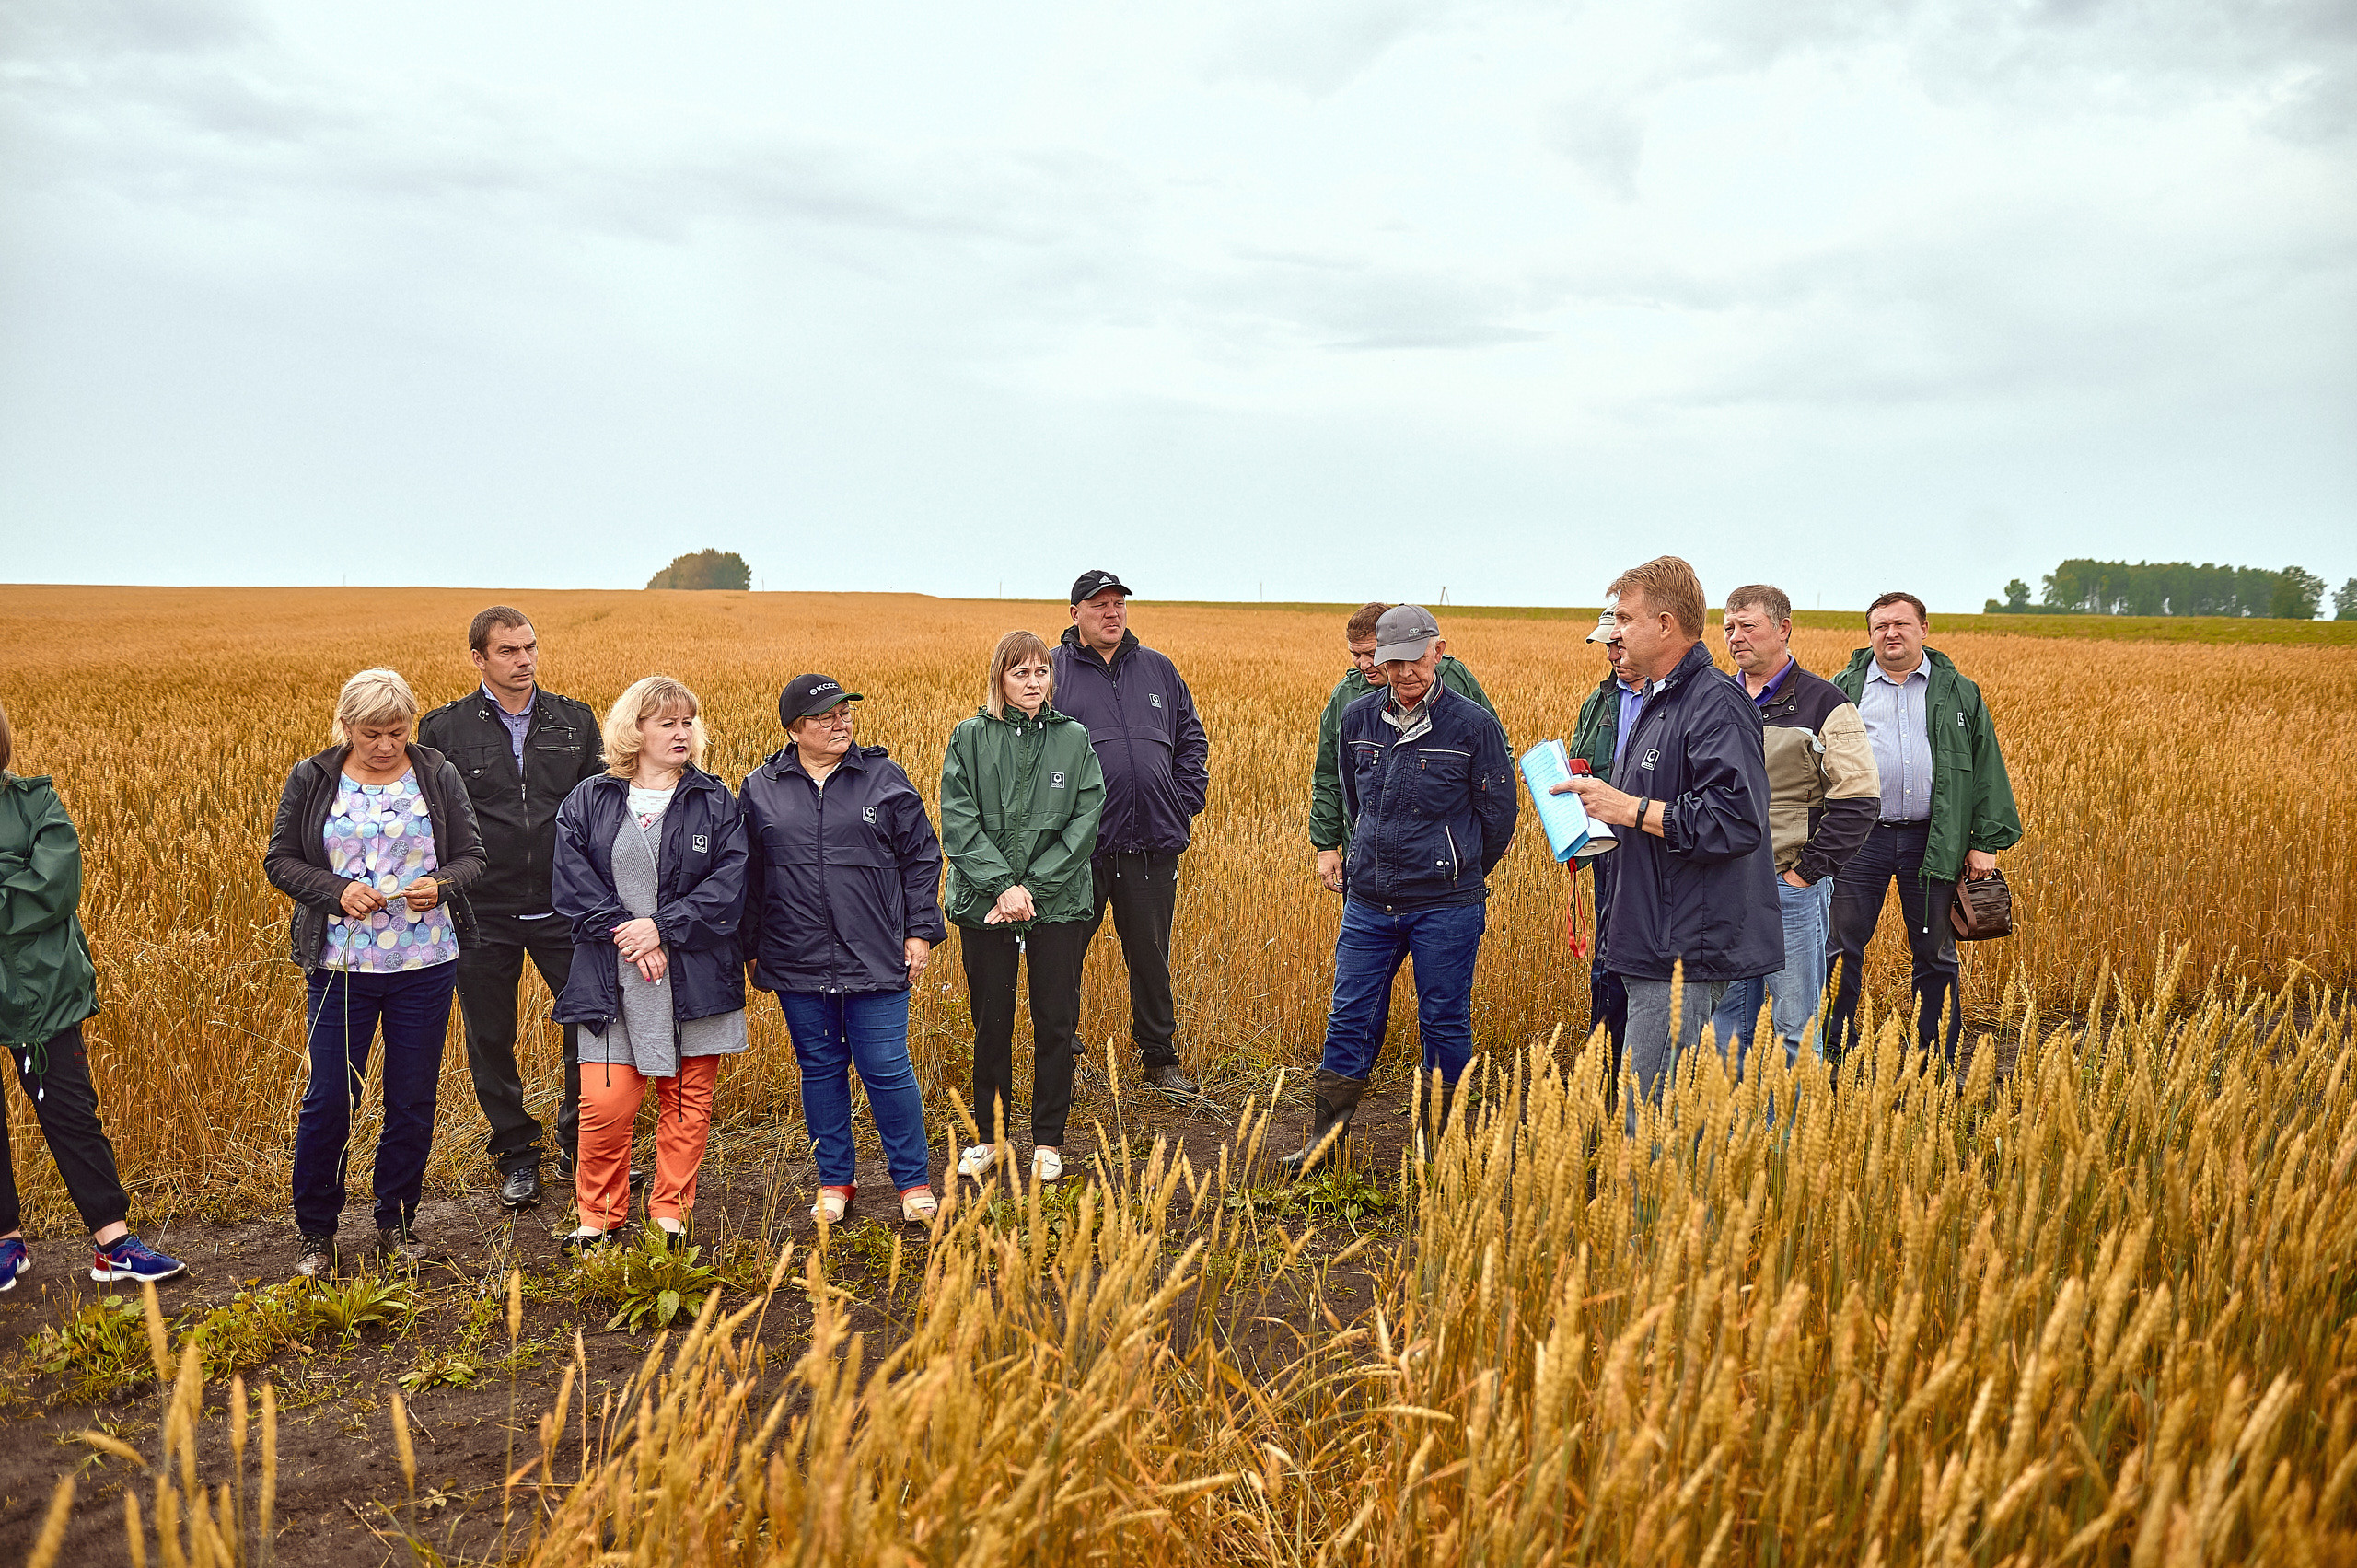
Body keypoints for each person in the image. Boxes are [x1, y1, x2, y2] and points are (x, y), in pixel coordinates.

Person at [264, 668, 485, 1276]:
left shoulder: (436, 773)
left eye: (397, 731)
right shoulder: (313, 778)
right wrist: (337, 891)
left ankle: (397, 1219)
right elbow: (279, 860)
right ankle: (316, 1231)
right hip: (341, 965)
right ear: (344, 727)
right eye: (371, 734)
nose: (387, 745)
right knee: (331, 1096)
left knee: (412, 1097)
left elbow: (473, 856)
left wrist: (439, 885)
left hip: (425, 963)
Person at [1284, 606, 1517, 1174]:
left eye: (1417, 659)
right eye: (1393, 662)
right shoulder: (1357, 718)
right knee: (1350, 1015)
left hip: (1446, 905)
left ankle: (1441, 1148)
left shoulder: (1473, 726)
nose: (1406, 672)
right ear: (1379, 662)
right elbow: (1350, 797)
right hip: (1369, 902)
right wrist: (1364, 856)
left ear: (1438, 652)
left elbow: (1498, 814)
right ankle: (1326, 1139)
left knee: (1443, 1020)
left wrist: (1455, 866)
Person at [1556, 558, 1780, 1127]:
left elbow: (1735, 820)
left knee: (1649, 1116)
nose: (1615, 630)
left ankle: (1656, 1214)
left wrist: (1627, 808)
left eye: (1625, 619)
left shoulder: (1714, 703)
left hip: (1682, 947)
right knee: (1656, 1110)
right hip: (1648, 934)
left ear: (1665, 624)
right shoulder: (1657, 702)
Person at [550, 677, 748, 1250]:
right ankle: (599, 1217)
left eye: (688, 722)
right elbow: (572, 883)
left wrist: (662, 927)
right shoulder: (590, 799)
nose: (682, 733)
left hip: (694, 977)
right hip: (610, 978)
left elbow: (730, 888)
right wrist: (630, 933)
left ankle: (669, 1212)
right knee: (606, 1104)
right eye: (667, 723)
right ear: (633, 731)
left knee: (688, 1102)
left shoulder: (715, 801)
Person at [741, 674, 946, 1225]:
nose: (841, 723)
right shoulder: (759, 788)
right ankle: (836, 1181)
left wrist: (920, 929)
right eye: (825, 716)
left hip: (875, 953)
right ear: (793, 728)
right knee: (820, 1067)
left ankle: (912, 1184)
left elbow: (922, 858)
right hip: (795, 956)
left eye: (845, 713)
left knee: (886, 1065)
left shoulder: (882, 777)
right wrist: (751, 947)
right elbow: (750, 877)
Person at [418, 606, 604, 1211]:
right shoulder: (443, 731)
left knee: (591, 1024)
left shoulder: (574, 721)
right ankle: (517, 1156)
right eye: (508, 651)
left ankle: (582, 1149)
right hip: (482, 910)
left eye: (529, 647)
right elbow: (433, 823)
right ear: (478, 657)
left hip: (564, 904)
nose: (524, 660)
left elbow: (600, 812)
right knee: (490, 1036)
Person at [0, 699, 186, 1289]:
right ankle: (6, 1244)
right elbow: (25, 887)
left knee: (71, 1113)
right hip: (37, 978)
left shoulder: (35, 802)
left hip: (42, 994)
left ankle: (114, 1244)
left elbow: (52, 888)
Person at [1824, 593, 2022, 1064]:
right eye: (1880, 626)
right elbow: (1817, 766)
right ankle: (1833, 1058)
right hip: (1859, 840)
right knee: (1839, 951)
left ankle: (1935, 1063)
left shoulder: (1960, 692)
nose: (1891, 633)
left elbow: (1985, 766)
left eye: (1901, 624)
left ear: (1924, 629)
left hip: (1933, 840)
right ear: (1869, 634)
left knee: (1935, 954)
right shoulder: (1844, 688)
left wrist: (1984, 843)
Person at [940, 631, 1106, 1185]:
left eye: (1041, 672)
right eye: (1021, 673)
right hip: (986, 906)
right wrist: (1002, 888)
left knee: (1055, 1021)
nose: (1033, 683)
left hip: (1057, 905)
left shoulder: (1074, 738)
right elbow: (959, 821)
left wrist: (1032, 886)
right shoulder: (969, 737)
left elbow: (1086, 820)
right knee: (992, 1021)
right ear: (999, 679)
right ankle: (990, 1136)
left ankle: (1048, 1140)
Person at [1051, 571, 1209, 1099]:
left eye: (1119, 604)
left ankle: (1160, 1060)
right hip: (1078, 852)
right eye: (1099, 605)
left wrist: (1181, 804)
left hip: (1152, 844)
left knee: (1151, 954)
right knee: (1064, 955)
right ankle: (1062, 1062)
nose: (1112, 613)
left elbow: (1191, 739)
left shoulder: (1158, 669)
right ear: (1075, 614)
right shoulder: (1050, 672)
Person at [1708, 586, 1880, 1069]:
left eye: (1748, 627)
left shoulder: (1826, 703)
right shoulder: (1716, 699)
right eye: (1729, 629)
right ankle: (1733, 1135)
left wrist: (1806, 873)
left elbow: (1860, 800)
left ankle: (1788, 1139)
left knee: (1794, 1026)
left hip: (1790, 890)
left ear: (1783, 629)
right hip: (1724, 887)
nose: (1736, 638)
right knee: (1725, 1027)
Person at [1310, 600, 1495, 892]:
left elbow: (1493, 759)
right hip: (1368, 860)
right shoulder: (1345, 697)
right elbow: (1328, 775)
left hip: (1443, 865)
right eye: (1355, 655)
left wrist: (1491, 832)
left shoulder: (1453, 679)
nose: (1363, 664)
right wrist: (1326, 845)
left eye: (1371, 654)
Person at [1566, 603, 1640, 1067]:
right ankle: (1605, 1068)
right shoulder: (1600, 700)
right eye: (1606, 645)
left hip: (1658, 841)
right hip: (1607, 847)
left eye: (1618, 642)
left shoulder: (1677, 699)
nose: (1612, 654)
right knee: (1607, 956)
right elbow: (1579, 756)